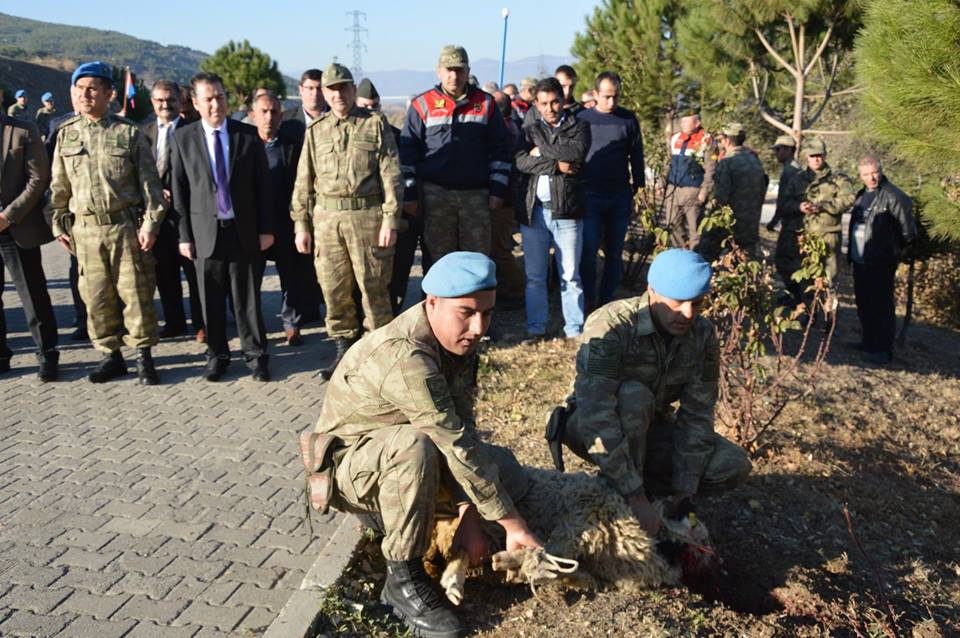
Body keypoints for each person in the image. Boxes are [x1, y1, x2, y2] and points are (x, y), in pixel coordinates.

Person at [313, 251, 542, 638]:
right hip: (352, 472)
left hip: (410, 458)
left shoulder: (456, 342)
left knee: (504, 467)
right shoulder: (405, 355)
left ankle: (424, 518)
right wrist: (511, 523)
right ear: (431, 301)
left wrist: (469, 512)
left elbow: (464, 429)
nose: (478, 326)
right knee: (414, 446)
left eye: (486, 313)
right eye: (466, 312)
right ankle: (402, 580)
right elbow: (449, 441)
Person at [545, 249, 752, 535]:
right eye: (678, 302)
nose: (688, 314)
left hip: (649, 424)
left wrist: (684, 491)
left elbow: (697, 415)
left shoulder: (702, 334)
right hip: (589, 426)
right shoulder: (612, 325)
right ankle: (619, 495)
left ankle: (647, 488)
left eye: (697, 303)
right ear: (652, 292)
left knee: (731, 464)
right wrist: (635, 497)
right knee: (634, 396)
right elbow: (596, 415)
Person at [47, 61, 166, 385]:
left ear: (108, 94)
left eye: (92, 88)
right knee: (95, 297)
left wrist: (150, 225)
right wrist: (58, 224)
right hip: (85, 231)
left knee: (136, 295)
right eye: (79, 89)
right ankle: (110, 356)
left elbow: (151, 186)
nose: (85, 94)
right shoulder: (66, 134)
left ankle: (143, 357)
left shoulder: (128, 133)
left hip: (124, 228)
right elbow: (59, 188)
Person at [292, 63, 401, 380]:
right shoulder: (316, 131)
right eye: (332, 89)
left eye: (343, 87)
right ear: (324, 93)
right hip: (327, 221)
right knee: (333, 287)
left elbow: (391, 176)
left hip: (367, 217)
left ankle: (379, 353)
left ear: (353, 90)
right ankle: (343, 350)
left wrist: (390, 219)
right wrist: (301, 224)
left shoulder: (375, 125)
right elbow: (304, 181)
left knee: (374, 287)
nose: (338, 94)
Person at [171, 72, 274, 382]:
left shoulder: (248, 135)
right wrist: (184, 236)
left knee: (248, 302)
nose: (216, 103)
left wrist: (266, 229)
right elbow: (179, 191)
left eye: (220, 96)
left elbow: (263, 187)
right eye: (209, 98)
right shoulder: (184, 138)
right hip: (205, 235)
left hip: (243, 231)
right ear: (196, 103)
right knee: (210, 301)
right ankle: (217, 356)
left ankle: (256, 356)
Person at [399, 45, 511, 266]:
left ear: (468, 72)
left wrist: (498, 189)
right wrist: (410, 193)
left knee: (477, 260)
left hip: (476, 196)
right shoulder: (422, 105)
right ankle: (436, 301)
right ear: (438, 71)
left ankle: (477, 302)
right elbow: (407, 152)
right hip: (435, 196)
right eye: (448, 70)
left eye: (459, 70)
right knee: (438, 261)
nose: (454, 76)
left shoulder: (486, 104)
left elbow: (501, 149)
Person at [515, 77, 590, 341]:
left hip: (567, 212)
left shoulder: (579, 126)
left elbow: (576, 152)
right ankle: (536, 327)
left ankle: (574, 330)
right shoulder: (528, 130)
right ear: (536, 103)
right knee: (534, 276)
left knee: (570, 276)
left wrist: (541, 152)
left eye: (555, 101)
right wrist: (557, 165)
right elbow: (521, 162)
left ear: (563, 99)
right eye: (544, 103)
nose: (550, 108)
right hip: (534, 212)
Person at [250, 92, 322, 346]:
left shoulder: (293, 146)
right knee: (251, 279)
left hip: (286, 222)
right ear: (253, 115)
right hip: (254, 226)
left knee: (291, 278)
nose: (269, 117)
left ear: (281, 116)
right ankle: (255, 327)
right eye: (264, 112)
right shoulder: (245, 145)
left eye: (274, 112)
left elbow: (304, 185)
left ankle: (292, 324)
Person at [141, 80, 205, 342]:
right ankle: (175, 322)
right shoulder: (143, 134)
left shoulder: (194, 131)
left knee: (194, 274)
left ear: (181, 102)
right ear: (152, 102)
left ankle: (202, 323)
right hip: (158, 219)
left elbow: (201, 174)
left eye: (170, 100)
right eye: (159, 100)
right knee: (165, 274)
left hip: (188, 216)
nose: (165, 104)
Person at [0, 106, 59, 381]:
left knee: (33, 294)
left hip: (16, 227)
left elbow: (38, 179)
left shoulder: (24, 130)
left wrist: (8, 216)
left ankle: (47, 354)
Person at [578, 71, 645, 312]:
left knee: (614, 254)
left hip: (619, 196)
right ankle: (587, 298)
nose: (611, 102)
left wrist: (639, 189)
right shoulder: (582, 118)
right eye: (606, 96)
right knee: (588, 252)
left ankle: (606, 300)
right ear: (595, 94)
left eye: (615, 96)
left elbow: (637, 156)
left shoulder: (628, 120)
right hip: (590, 196)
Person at [848, 156, 917, 365]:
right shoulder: (862, 195)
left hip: (881, 261)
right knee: (864, 302)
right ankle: (868, 342)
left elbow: (909, 233)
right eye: (866, 174)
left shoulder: (894, 196)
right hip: (861, 259)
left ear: (881, 170)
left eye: (875, 172)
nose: (871, 178)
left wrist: (892, 252)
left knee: (882, 305)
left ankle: (883, 350)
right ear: (860, 176)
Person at [779, 138, 855, 292]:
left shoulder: (838, 179)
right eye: (812, 156)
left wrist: (825, 206)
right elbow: (783, 204)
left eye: (819, 155)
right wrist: (799, 207)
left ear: (825, 155)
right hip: (804, 238)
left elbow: (849, 199)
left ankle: (830, 314)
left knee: (829, 280)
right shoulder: (797, 179)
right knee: (805, 278)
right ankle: (809, 313)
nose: (816, 159)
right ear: (807, 157)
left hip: (828, 235)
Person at [44, 84, 88, 341]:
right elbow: (51, 171)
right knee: (78, 270)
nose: (83, 95)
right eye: (77, 90)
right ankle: (83, 319)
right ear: (71, 94)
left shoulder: (117, 125)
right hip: (75, 213)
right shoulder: (60, 126)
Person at [699, 122, 768, 261]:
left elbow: (721, 198)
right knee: (744, 260)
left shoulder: (728, 162)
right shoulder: (754, 160)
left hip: (730, 224)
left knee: (705, 254)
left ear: (727, 140)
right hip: (750, 223)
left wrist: (708, 216)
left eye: (720, 139)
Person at [658, 111, 717, 250]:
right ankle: (680, 254)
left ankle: (694, 257)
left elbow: (711, 169)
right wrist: (661, 183)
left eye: (686, 121)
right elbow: (668, 163)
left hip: (693, 191)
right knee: (672, 226)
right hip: (674, 190)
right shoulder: (675, 138)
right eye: (682, 121)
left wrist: (705, 191)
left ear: (697, 123)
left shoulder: (706, 139)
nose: (682, 124)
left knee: (695, 230)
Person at [767, 134, 803, 302]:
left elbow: (785, 201)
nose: (777, 153)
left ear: (789, 150)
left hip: (793, 225)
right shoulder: (789, 169)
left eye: (779, 149)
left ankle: (799, 297)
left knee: (785, 261)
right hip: (789, 223)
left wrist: (774, 221)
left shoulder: (792, 171)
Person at [281, 69, 327, 143]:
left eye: (319, 89)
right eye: (310, 88)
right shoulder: (284, 120)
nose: (315, 93)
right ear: (301, 89)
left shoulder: (338, 117)